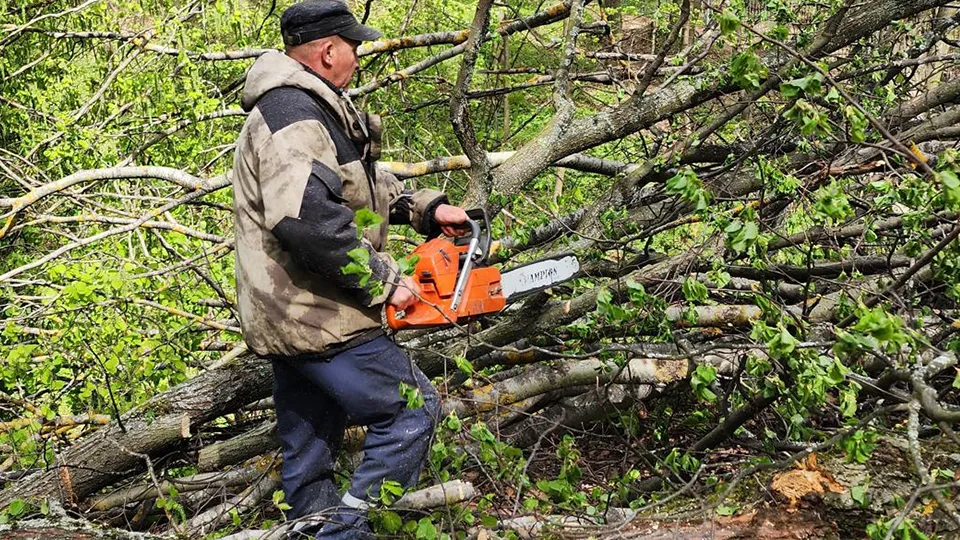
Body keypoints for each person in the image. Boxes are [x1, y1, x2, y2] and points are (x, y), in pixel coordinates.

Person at [231, 1, 468, 536]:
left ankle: (319, 530)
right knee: (412, 411)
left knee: (311, 449)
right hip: (316, 313)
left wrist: (424, 208)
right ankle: (344, 533)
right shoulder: (292, 115)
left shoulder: (314, 107)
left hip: (291, 312)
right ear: (328, 49)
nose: (358, 58)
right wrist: (387, 284)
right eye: (354, 47)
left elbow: (355, 189)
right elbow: (308, 221)